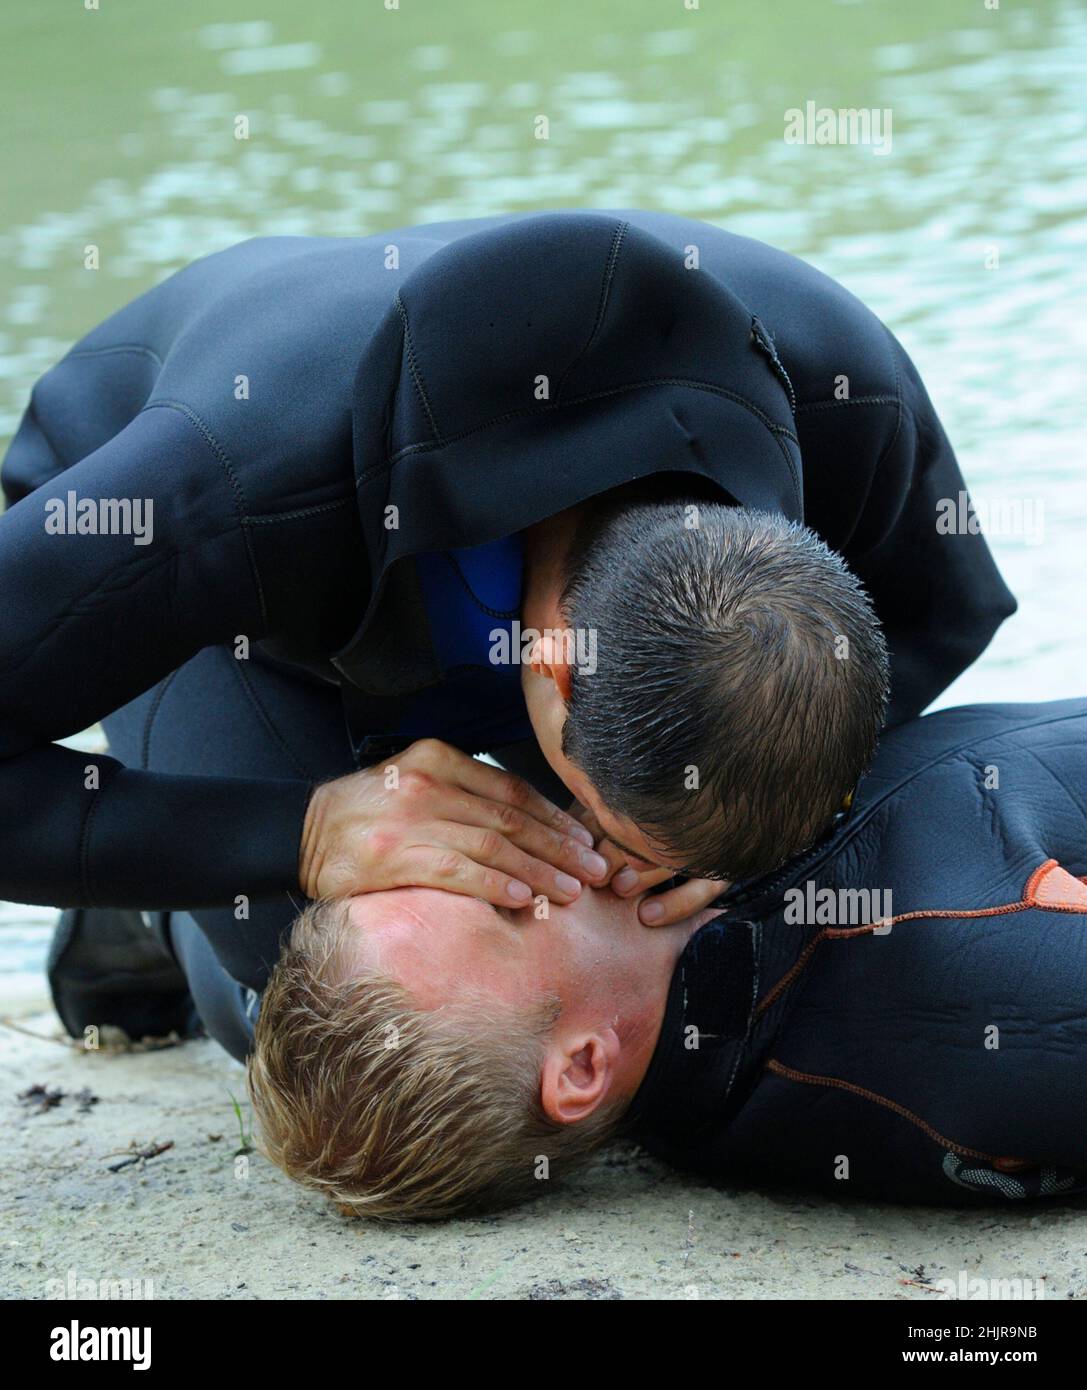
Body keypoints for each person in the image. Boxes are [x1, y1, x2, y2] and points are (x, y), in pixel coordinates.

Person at [2, 208, 1011, 1013]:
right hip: (235, 617)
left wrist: (707, 843)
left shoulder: (845, 396)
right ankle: (144, 921)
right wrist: (304, 831)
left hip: (466, 565)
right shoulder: (217, 497)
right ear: (556, 666)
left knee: (700, 939)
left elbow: (940, 620)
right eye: (623, 839)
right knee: (335, 983)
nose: (619, 871)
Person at [249, 697, 1087, 1220]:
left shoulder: (684, 1081)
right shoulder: (978, 991)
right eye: (501, 896)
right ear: (580, 1068)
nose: (494, 838)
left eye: (427, 859)